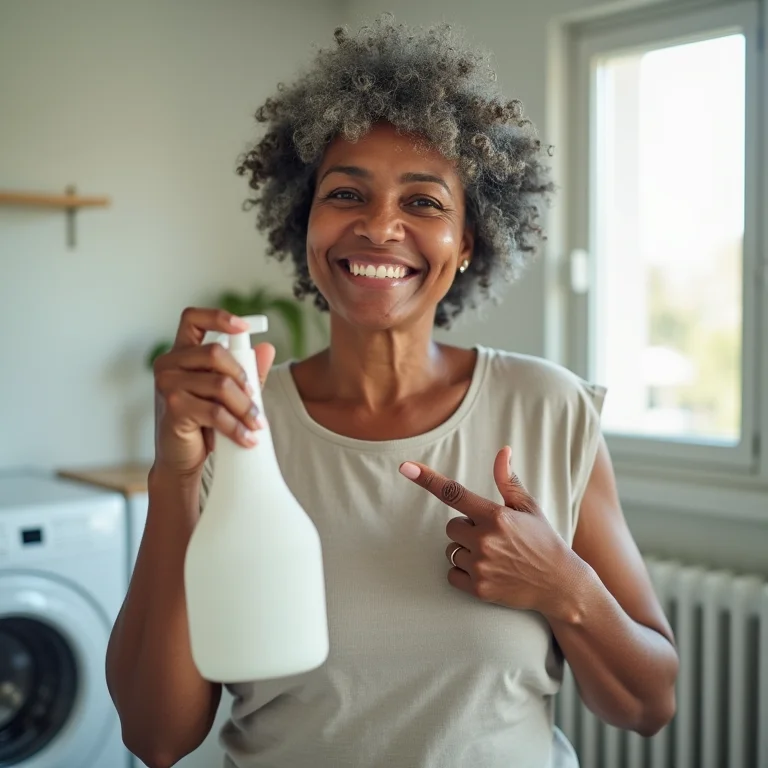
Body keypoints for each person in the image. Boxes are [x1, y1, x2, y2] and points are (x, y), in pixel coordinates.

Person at [106, 16, 679, 768]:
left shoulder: (551, 408)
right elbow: (155, 738)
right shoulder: (232, 425)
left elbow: (647, 706)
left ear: (467, 240)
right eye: (346, 193)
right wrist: (176, 476)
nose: (379, 227)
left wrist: (563, 585)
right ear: (305, 223)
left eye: (424, 202)